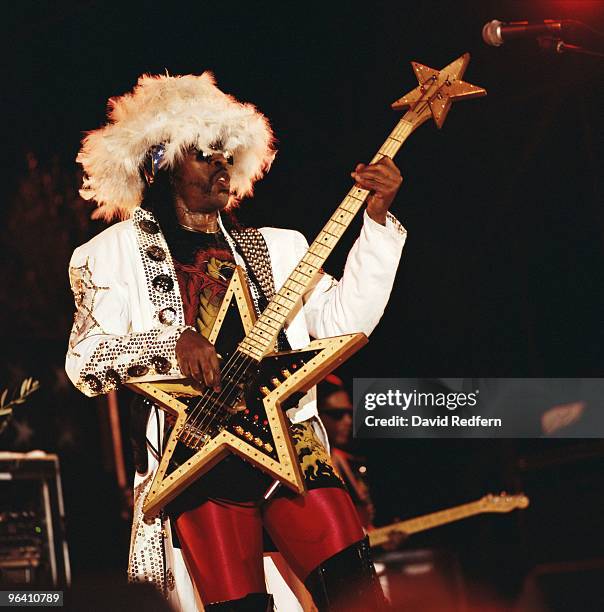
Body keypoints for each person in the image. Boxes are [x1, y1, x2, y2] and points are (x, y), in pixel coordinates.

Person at [65, 71, 406, 611]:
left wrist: (378, 219)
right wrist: (169, 343)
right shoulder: (110, 255)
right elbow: (84, 363)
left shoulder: (280, 248)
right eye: (204, 154)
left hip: (289, 440)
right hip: (198, 457)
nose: (221, 164)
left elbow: (345, 320)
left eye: (227, 154)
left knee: (358, 595)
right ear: (163, 163)